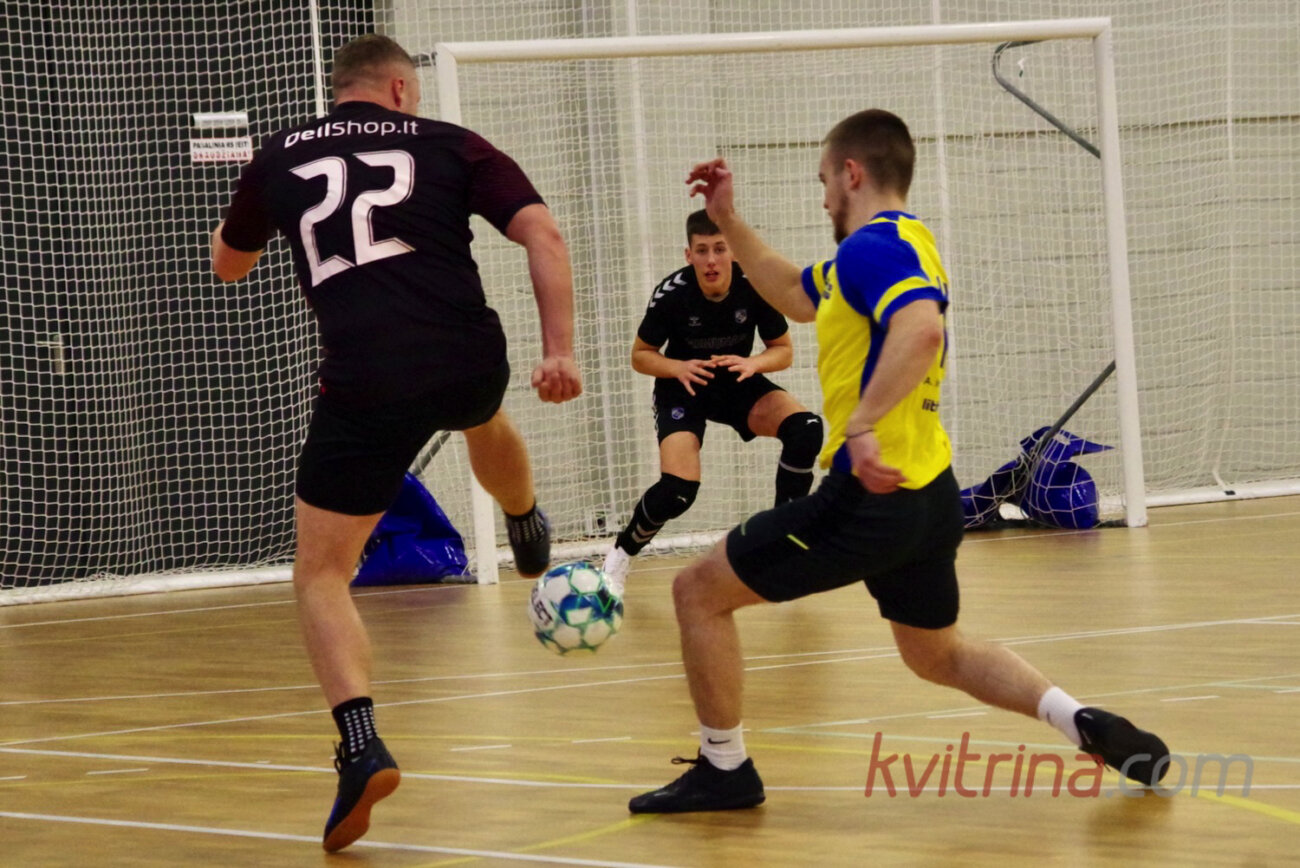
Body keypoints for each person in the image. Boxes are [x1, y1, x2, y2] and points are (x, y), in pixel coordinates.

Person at [628, 109, 1170, 814]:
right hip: (928, 496)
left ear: (852, 174)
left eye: (824, 182)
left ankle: (724, 767)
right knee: (936, 654)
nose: (823, 199)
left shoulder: (871, 249)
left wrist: (861, 422)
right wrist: (727, 218)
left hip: (869, 496)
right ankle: (1079, 719)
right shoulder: (903, 244)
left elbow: (921, 329)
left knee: (697, 591)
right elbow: (792, 293)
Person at [210, 34, 582, 850]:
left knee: (321, 573)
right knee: (481, 413)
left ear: (338, 92)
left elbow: (229, 266)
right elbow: (544, 237)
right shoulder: (453, 143)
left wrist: (249, 215)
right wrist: (559, 350)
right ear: (402, 89)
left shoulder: (280, 155)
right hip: (464, 355)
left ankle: (360, 743)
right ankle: (523, 514)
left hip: (364, 377)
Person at [601, 209, 823, 596]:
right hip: (683, 387)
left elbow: (783, 350)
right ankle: (620, 555)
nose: (711, 260)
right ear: (688, 255)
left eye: (720, 249)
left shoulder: (756, 285)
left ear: (733, 251)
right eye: (702, 251)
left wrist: (754, 363)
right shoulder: (672, 294)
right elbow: (640, 356)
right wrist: (678, 367)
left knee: (806, 429)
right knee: (678, 490)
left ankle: (781, 545)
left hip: (737, 381)